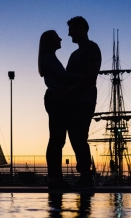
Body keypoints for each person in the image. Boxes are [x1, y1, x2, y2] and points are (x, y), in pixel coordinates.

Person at [66, 16, 101, 188]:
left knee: (79, 136)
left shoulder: (92, 48)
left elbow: (91, 74)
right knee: (75, 136)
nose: (69, 34)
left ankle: (86, 175)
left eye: (72, 29)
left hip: (84, 99)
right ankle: (84, 174)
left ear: (81, 28)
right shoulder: (74, 54)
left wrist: (74, 87)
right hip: (73, 100)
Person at [38, 30, 74, 190]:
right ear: (50, 41)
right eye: (56, 37)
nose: (60, 39)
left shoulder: (49, 58)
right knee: (56, 140)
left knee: (57, 140)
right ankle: (54, 177)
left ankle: (55, 177)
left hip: (56, 98)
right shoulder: (49, 58)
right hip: (56, 98)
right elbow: (64, 77)